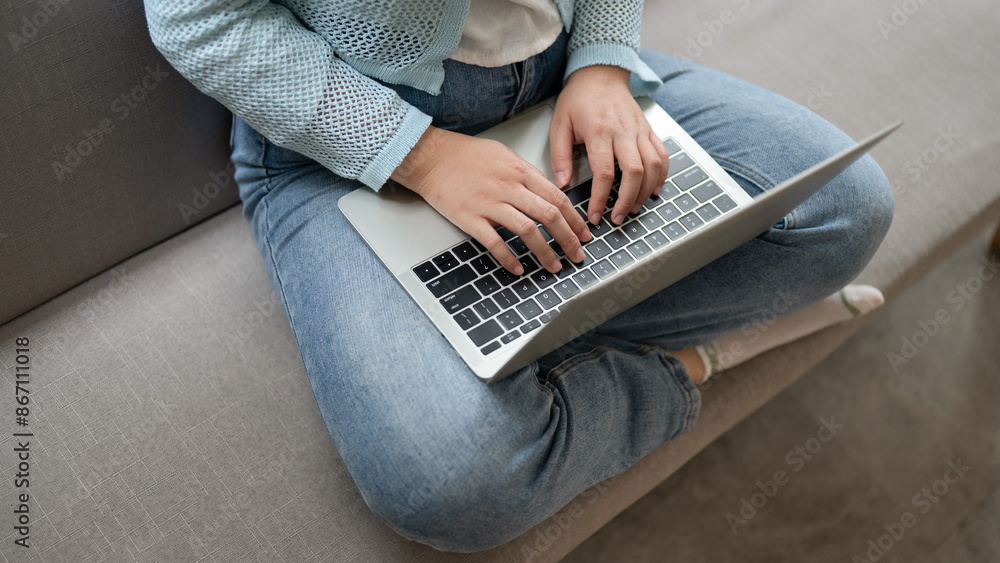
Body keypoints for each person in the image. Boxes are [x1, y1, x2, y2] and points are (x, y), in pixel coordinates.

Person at [143, 0, 894, 552]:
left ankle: (525, 368)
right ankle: (687, 364)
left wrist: (602, 62)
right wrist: (419, 156)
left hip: (560, 77)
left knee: (844, 208)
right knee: (451, 484)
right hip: (341, 148)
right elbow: (201, 16)